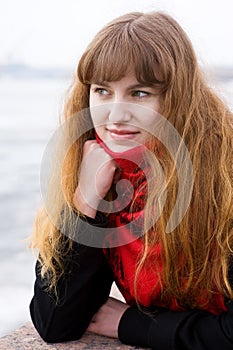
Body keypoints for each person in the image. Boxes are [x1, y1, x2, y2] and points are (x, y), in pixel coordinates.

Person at [29, 11, 233, 349]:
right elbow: (55, 322)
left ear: (177, 99)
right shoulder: (110, 174)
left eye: (139, 93)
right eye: (103, 91)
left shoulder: (222, 178)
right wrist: (85, 200)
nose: (116, 114)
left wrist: (131, 324)